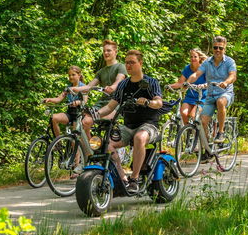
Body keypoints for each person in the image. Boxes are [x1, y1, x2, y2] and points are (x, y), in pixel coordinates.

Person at [94, 50, 163, 193]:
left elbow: (159, 103)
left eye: (132, 62)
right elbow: (110, 107)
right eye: (126, 62)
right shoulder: (123, 84)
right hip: (128, 127)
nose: (128, 65)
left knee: (139, 137)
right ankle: (121, 179)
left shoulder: (151, 82)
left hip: (149, 125)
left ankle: (135, 179)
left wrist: (149, 102)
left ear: (140, 63)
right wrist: (94, 115)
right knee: (107, 144)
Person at [70, 40, 127, 139]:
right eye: (104, 51)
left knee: (98, 120)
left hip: (116, 103)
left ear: (115, 52)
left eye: (108, 51)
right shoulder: (101, 72)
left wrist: (112, 87)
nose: (106, 53)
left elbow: (119, 80)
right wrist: (76, 88)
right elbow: (89, 86)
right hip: (102, 103)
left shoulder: (120, 67)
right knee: (83, 121)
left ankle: (101, 145)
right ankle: (91, 149)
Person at [185, 36, 237, 143]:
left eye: (220, 48)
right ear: (213, 48)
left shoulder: (229, 62)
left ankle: (221, 132)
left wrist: (226, 82)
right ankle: (207, 149)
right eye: (215, 47)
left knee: (220, 102)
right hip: (210, 96)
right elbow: (196, 74)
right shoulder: (207, 62)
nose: (218, 50)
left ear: (224, 48)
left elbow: (233, 76)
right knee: (202, 122)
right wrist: (187, 82)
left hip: (225, 93)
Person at [43, 66, 87, 137]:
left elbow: (84, 101)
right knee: (54, 118)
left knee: (73, 139)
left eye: (73, 75)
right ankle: (58, 143)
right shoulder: (68, 88)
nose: (71, 77)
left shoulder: (83, 87)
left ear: (79, 75)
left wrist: (78, 102)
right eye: (69, 75)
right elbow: (58, 99)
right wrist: (50, 99)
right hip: (69, 113)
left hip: (79, 115)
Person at [168, 49, 208, 124]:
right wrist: (170, 86)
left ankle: (196, 132)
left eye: (195, 57)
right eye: (191, 57)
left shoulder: (204, 69)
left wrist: (203, 85)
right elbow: (180, 83)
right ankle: (188, 132)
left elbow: (209, 82)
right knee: (184, 113)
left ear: (200, 58)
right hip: (190, 97)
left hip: (202, 97)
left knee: (193, 115)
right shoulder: (187, 68)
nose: (193, 59)